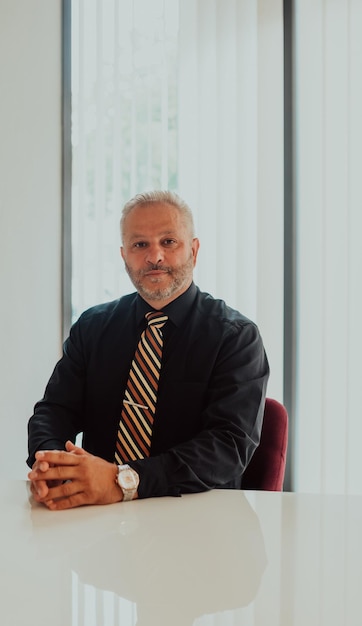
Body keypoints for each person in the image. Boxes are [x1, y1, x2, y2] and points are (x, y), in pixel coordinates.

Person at [27, 190, 269, 510]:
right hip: (98, 517)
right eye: (140, 244)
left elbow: (228, 446)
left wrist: (124, 480)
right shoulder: (93, 327)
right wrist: (53, 465)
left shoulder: (237, 338)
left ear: (194, 251)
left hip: (196, 517)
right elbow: (55, 410)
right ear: (124, 255)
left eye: (169, 242)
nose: (155, 256)